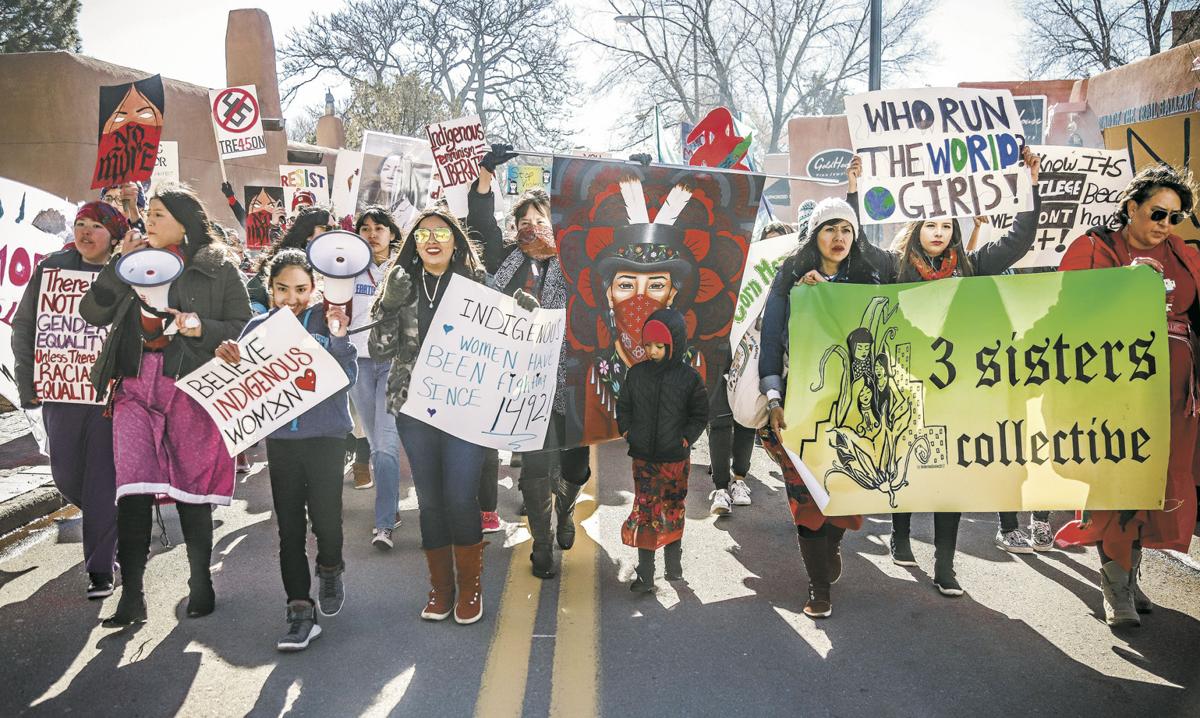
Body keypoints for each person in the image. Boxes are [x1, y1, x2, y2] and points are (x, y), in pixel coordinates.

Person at [848, 148, 1042, 597]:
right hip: (905, 388)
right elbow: (857, 246)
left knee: (948, 473)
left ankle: (945, 563)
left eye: (946, 225)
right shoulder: (895, 268)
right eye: (931, 225)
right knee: (908, 465)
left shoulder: (971, 268)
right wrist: (855, 190)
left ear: (955, 230)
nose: (938, 232)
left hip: (956, 392)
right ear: (917, 228)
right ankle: (900, 534)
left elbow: (1018, 242)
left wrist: (1029, 184)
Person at [80, 184, 251, 626]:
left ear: (183, 221)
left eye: (157, 215)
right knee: (132, 489)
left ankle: (200, 581)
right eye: (148, 215)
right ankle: (132, 595)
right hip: (135, 384)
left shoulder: (217, 267)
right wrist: (119, 268)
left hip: (188, 385)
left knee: (193, 490)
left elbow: (241, 323)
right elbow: (92, 313)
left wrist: (201, 330)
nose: (147, 222)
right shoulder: (129, 265)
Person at [1054, 164, 1199, 627]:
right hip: (1112, 391)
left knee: (1158, 484)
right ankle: (1115, 589)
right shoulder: (1093, 248)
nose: (1165, 224)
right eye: (1158, 212)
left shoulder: (1186, 256)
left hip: (1173, 395)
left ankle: (1129, 576)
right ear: (1132, 207)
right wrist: (1125, 290)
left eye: (1175, 217)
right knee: (1119, 482)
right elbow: (1065, 313)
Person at [215, 249, 356, 651]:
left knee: (327, 521)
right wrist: (226, 357)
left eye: (300, 289)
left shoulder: (327, 321)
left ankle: (330, 567)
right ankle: (299, 611)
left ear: (314, 288)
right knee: (289, 528)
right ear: (269, 287)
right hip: (282, 444)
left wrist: (340, 339)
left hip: (327, 438)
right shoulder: (257, 327)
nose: (291, 298)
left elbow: (346, 378)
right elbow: (240, 383)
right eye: (282, 289)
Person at [758, 198, 880, 618]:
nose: (839, 237)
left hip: (852, 412)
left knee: (842, 494)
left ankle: (831, 549)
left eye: (846, 229)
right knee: (806, 498)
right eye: (830, 229)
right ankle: (818, 586)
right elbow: (771, 342)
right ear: (814, 235)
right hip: (800, 407)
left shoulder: (869, 278)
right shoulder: (790, 279)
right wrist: (774, 397)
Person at [471, 145, 588, 577]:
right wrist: (485, 174)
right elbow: (479, 225)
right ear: (515, 229)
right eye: (525, 223)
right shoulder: (507, 261)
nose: (533, 228)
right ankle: (542, 545)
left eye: (541, 221)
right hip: (523, 382)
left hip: (571, 378)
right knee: (536, 465)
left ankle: (567, 508)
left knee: (576, 465)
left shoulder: (576, 260)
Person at [369, 208, 489, 624]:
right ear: (414, 244)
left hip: (466, 409)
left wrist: (523, 314)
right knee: (431, 501)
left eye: (441, 232)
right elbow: (380, 349)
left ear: (456, 240)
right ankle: (441, 587)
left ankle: (471, 587)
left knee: (459, 497)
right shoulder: (399, 283)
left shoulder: (477, 284)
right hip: (415, 408)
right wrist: (388, 304)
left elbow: (503, 341)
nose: (432, 239)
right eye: (423, 234)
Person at [11, 201, 126, 600]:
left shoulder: (126, 271)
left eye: (96, 225)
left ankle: (101, 569)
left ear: (114, 235)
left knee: (100, 480)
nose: (86, 232)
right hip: (61, 391)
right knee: (65, 474)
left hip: (109, 396)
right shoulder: (51, 268)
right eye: (81, 224)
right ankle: (115, 522)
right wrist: (29, 384)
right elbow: (26, 326)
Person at [617, 308, 709, 592]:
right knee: (645, 509)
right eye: (648, 346)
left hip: (674, 460)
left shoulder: (689, 378)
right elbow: (624, 405)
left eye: (660, 346)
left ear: (674, 344)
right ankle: (646, 573)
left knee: (672, 508)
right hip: (643, 458)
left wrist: (686, 437)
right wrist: (627, 430)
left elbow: (699, 413)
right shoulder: (637, 374)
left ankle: (673, 564)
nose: (652, 352)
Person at [708, 221, 793, 516]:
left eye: (779, 245)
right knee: (719, 418)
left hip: (762, 356)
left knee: (748, 419)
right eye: (767, 244)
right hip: (727, 350)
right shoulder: (742, 274)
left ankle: (739, 479)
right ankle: (720, 487)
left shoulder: (791, 284)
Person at [346, 207, 406, 546]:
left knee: (385, 443)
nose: (372, 233)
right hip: (358, 364)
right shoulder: (347, 267)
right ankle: (392, 506)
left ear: (393, 233)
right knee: (373, 442)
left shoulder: (406, 265)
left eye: (379, 227)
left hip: (394, 363)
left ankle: (383, 523)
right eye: (364, 228)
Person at [246, 206, 335, 314]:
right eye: (327, 228)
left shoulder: (334, 260)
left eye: (336, 228)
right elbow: (255, 293)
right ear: (308, 233)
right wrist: (259, 312)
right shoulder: (286, 258)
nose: (333, 233)